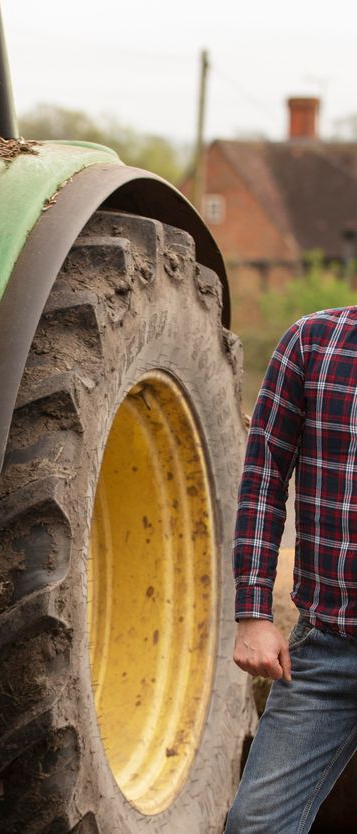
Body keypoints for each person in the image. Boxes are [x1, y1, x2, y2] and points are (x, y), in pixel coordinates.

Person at [225, 308, 357, 832]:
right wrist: (254, 613)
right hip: (324, 650)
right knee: (255, 822)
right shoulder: (313, 343)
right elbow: (263, 478)